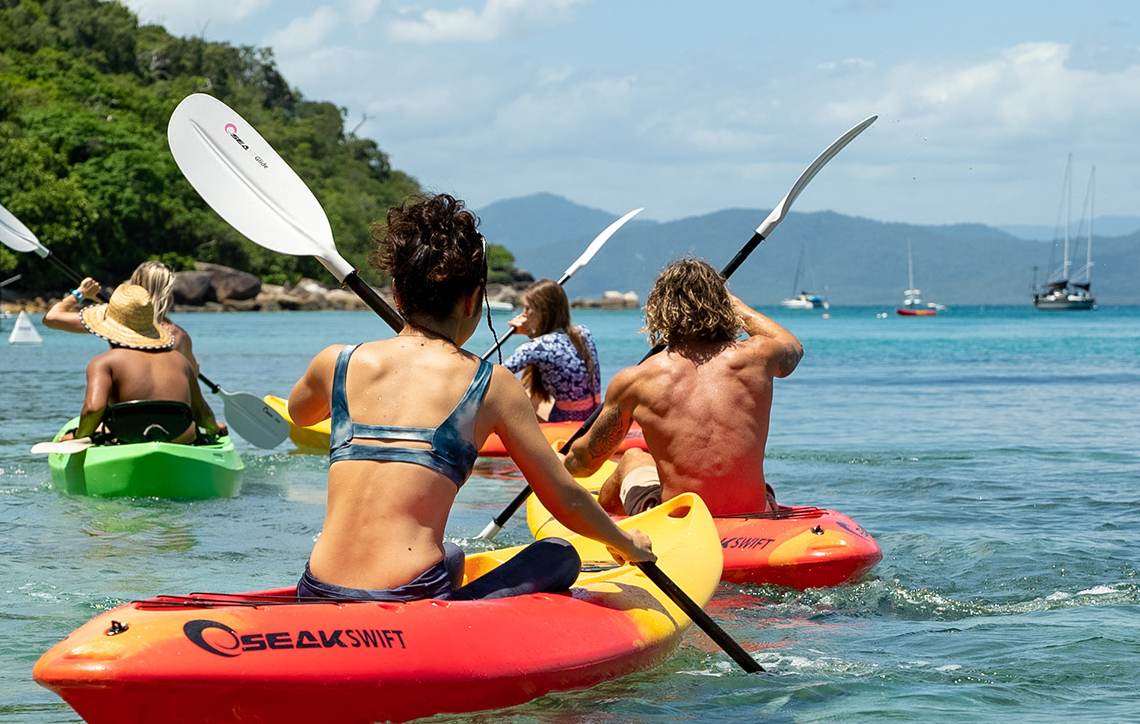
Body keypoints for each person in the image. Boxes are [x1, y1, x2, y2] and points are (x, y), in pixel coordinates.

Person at [283, 193, 654, 602]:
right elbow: (565, 501)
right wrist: (626, 542)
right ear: (474, 299)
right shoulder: (491, 385)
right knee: (560, 553)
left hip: (315, 590)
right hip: (407, 597)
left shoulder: (335, 361)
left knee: (454, 555)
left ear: (397, 293)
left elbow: (300, 414)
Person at [563, 257, 802, 518]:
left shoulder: (637, 380)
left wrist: (557, 464)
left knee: (632, 457)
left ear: (659, 310)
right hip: (753, 513)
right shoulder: (759, 357)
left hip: (681, 521)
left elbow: (586, 463)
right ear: (724, 307)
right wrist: (735, 305)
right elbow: (792, 347)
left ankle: (605, 532)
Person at [46, 263, 222, 445]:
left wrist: (80, 436)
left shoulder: (104, 362)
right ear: (168, 296)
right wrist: (214, 427)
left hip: (127, 429)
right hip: (178, 429)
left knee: (97, 426)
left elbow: (93, 409)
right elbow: (199, 408)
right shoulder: (180, 351)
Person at [496, 279, 602, 422]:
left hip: (564, 425)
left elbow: (496, 375)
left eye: (527, 309)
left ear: (542, 312)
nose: (523, 314)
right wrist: (530, 333)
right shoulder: (583, 333)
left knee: (513, 393)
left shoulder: (535, 348)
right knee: (529, 390)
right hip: (592, 418)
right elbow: (555, 352)